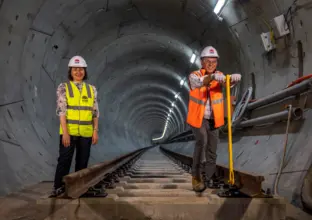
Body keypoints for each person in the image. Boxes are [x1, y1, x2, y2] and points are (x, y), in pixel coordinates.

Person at [186, 46, 241, 192]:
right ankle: (196, 178)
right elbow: (198, 83)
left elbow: (225, 83)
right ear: (202, 62)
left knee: (212, 149)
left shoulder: (220, 74)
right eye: (208, 61)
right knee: (202, 142)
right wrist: (212, 77)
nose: (211, 64)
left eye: (214, 62)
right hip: (198, 119)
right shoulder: (194, 75)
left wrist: (233, 80)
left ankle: (208, 178)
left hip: (214, 119)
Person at [49, 55, 99, 197]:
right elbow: (61, 111)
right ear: (70, 71)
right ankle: (58, 187)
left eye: (81, 69)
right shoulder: (64, 88)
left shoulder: (92, 89)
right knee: (64, 160)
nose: (78, 72)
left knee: (82, 162)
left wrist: (95, 131)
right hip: (69, 131)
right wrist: (65, 132)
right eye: (75, 69)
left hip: (86, 132)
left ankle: (78, 187)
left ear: (85, 71)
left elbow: (95, 112)